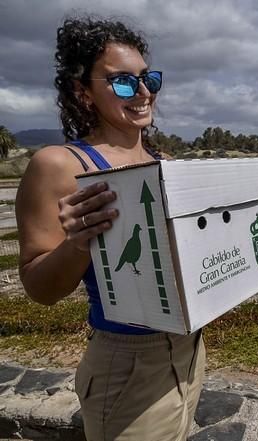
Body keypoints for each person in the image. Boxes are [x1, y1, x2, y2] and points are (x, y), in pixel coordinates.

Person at [15, 17, 205, 441]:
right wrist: (79, 243)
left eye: (147, 79)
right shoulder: (60, 166)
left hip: (193, 348)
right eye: (122, 82)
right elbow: (39, 287)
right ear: (83, 92)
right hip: (128, 359)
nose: (143, 93)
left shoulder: (166, 164)